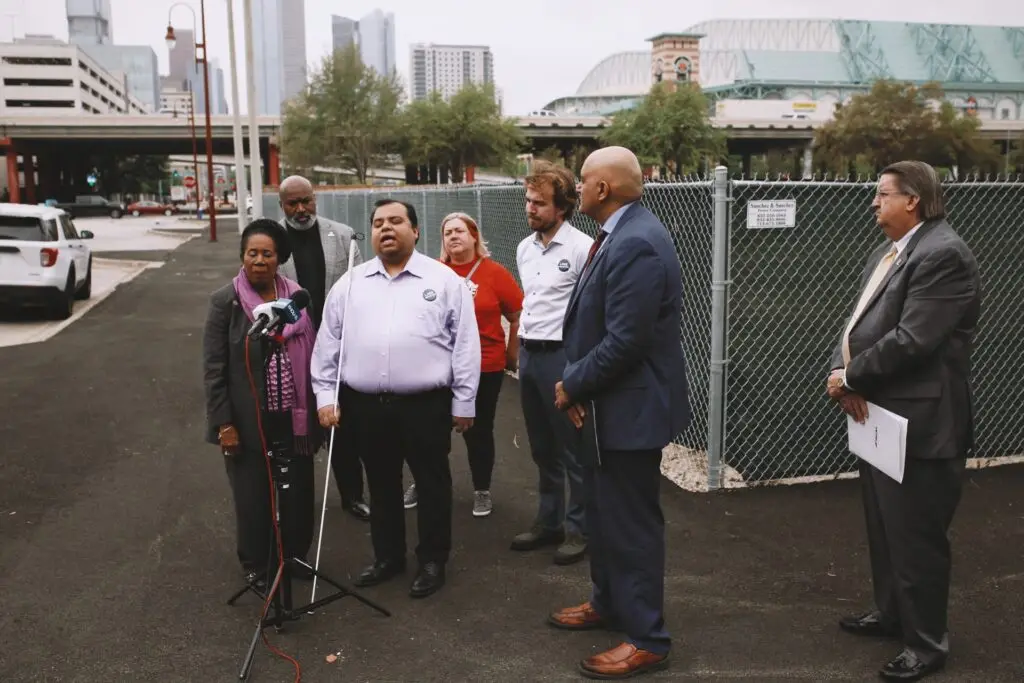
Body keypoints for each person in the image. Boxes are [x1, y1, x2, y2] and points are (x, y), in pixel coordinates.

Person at [826, 161, 981, 682]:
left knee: (916, 536)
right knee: (884, 526)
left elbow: (915, 339)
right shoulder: (890, 251)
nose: (874, 202)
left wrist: (851, 378)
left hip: (923, 421)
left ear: (913, 199)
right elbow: (858, 321)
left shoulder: (944, 255)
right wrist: (841, 368)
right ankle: (893, 613)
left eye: (882, 193)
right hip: (881, 415)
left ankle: (926, 645)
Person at [547, 147, 690, 680]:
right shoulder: (620, 235)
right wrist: (582, 387)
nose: (577, 189)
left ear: (603, 189)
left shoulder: (637, 243)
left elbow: (626, 340)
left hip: (628, 410)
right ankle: (608, 602)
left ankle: (648, 638)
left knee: (631, 524)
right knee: (604, 517)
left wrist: (572, 384)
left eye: (583, 181)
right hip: (606, 405)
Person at [311, 199, 481, 599]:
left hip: (426, 404)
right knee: (382, 484)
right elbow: (327, 346)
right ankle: (388, 557)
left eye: (396, 221)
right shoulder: (349, 285)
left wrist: (465, 402)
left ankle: (432, 559)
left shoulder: (443, 281)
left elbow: (465, 346)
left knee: (432, 482)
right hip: (367, 406)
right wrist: (324, 396)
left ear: (416, 230)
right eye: (378, 223)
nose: (386, 229)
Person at [202, 219, 323, 588]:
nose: (258, 260)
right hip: (247, 418)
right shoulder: (226, 301)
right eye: (252, 253)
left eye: (267, 254)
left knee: (298, 491)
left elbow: (315, 351)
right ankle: (257, 563)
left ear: (279, 258)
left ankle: (295, 556)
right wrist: (224, 423)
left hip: (295, 416)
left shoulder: (298, 296)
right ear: (242, 256)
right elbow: (214, 367)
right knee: (253, 496)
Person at [510, 159, 593, 566]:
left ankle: (580, 529)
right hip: (530, 354)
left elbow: (591, 313)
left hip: (563, 357)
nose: (530, 208)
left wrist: (577, 372)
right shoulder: (525, 249)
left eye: (539, 203)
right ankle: (549, 522)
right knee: (542, 447)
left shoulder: (581, 248)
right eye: (528, 200)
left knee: (573, 447)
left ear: (562, 207)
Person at [277, 174, 369, 522]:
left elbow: (361, 289)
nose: (301, 210)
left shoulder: (343, 235)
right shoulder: (272, 239)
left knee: (342, 428)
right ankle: (297, 501)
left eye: (307, 201)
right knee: (296, 428)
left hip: (338, 345)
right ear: (282, 205)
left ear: (315, 199)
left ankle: (353, 496)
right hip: (292, 346)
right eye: (293, 203)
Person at [434, 212, 523, 517]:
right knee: (432, 428)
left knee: (479, 429)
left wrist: (513, 353)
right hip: (441, 367)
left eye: (460, 231)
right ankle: (428, 482)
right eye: (448, 233)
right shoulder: (434, 273)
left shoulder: (494, 273)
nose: (453, 237)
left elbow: (517, 313)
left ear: (474, 236)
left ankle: (481, 489)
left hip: (486, 364)